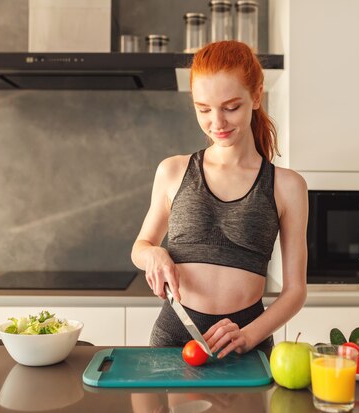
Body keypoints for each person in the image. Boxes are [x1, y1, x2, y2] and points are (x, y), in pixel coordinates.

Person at [131, 40, 308, 359]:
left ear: (256, 96)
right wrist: (154, 255)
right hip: (174, 335)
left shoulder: (287, 186)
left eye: (231, 107)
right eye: (204, 109)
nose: (217, 123)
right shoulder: (173, 170)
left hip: (247, 340)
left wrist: (249, 336)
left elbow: (295, 291)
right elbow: (140, 246)